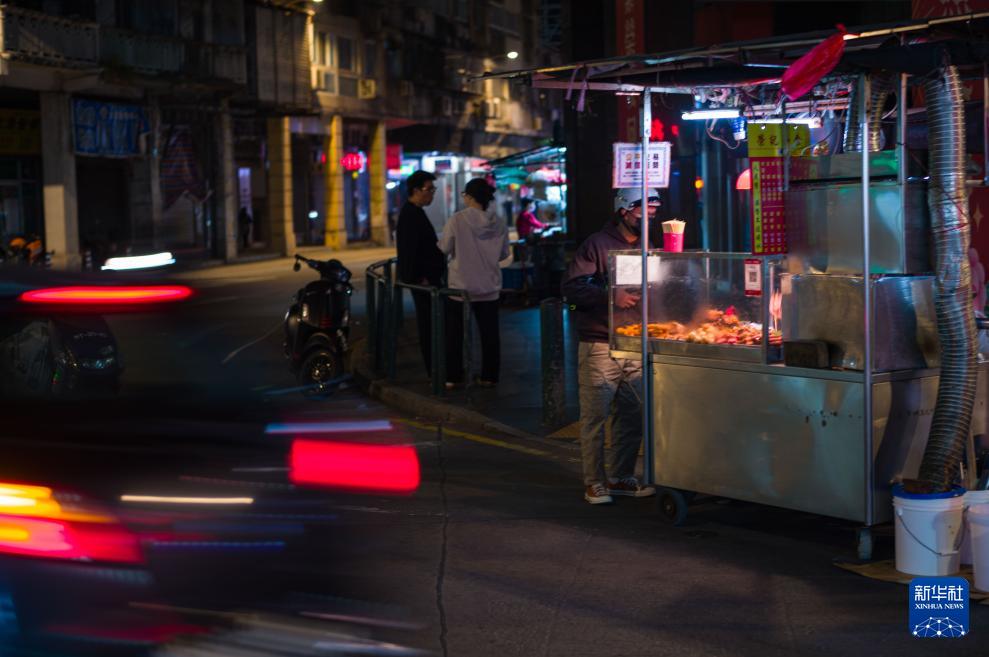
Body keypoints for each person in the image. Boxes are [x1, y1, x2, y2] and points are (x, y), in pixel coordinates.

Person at [561, 187, 660, 505]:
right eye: (645, 210)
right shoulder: (596, 244)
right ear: (624, 211)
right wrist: (611, 297)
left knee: (632, 414)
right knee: (594, 415)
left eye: (654, 210)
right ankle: (594, 481)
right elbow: (573, 287)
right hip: (600, 343)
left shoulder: (648, 245)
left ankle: (621, 477)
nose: (651, 216)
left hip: (635, 340)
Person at [438, 178, 510, 388]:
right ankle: (489, 376)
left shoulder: (457, 220)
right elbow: (504, 254)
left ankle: (453, 377)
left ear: (469, 197)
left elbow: (444, 248)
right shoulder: (499, 222)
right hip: (489, 286)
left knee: (454, 334)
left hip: (460, 286)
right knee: (489, 334)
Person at [396, 170, 444, 375]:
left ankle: (435, 368)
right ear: (416, 190)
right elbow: (410, 250)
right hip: (423, 281)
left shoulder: (415, 211)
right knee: (428, 325)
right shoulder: (410, 214)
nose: (432, 194)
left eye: (433, 189)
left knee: (431, 324)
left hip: (426, 278)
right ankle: (433, 371)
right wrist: (420, 278)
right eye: (429, 189)